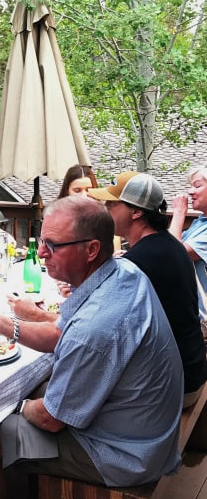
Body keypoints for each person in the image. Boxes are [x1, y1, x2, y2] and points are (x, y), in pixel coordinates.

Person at [0, 196, 183, 499]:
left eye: (52, 245)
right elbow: (58, 332)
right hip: (148, 428)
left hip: (124, 453)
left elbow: (52, 420)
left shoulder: (94, 327)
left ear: (91, 249)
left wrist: (12, 404)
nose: (40, 253)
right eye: (41, 241)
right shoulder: (122, 274)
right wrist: (2, 324)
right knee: (36, 387)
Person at [89, 172, 207, 406]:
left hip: (176, 387)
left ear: (136, 211)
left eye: (112, 204)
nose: (106, 209)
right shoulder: (169, 245)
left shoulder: (138, 263)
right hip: (192, 370)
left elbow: (97, 327)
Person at [170, 165, 207, 330]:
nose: (191, 191)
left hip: (201, 322)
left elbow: (173, 254)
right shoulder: (200, 222)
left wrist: (178, 213)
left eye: (197, 186)